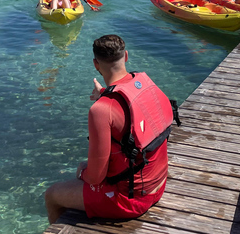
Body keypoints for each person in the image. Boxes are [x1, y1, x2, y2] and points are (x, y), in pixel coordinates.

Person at [44, 35, 173, 224]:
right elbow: (133, 110)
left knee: (53, 194)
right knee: (83, 167)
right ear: (126, 56)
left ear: (96, 64)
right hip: (158, 184)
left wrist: (82, 174)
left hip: (131, 199)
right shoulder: (144, 83)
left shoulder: (101, 111)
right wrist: (105, 94)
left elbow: (96, 177)